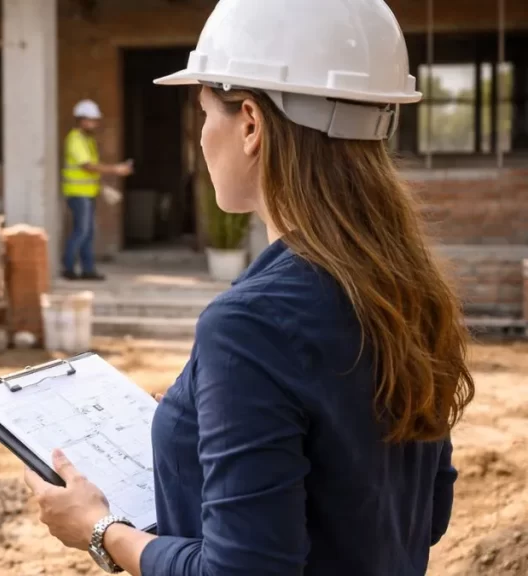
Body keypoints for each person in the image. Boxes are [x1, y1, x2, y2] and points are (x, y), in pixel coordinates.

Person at [24, 1, 476, 575]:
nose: (205, 133)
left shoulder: (250, 323)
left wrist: (99, 530)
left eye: (206, 112)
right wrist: (209, 414)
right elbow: (425, 513)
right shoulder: (408, 288)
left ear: (252, 124)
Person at [61, 99, 134, 281]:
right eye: (92, 119)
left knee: (88, 233)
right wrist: (116, 169)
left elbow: (89, 169)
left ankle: (88, 270)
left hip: (88, 193)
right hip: (78, 194)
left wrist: (101, 185)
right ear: (82, 120)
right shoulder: (75, 139)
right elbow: (87, 166)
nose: (95, 123)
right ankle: (68, 268)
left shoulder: (87, 140)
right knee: (81, 231)